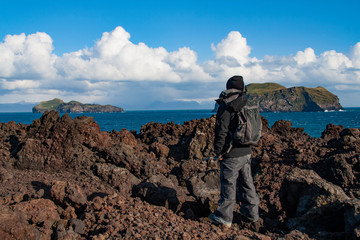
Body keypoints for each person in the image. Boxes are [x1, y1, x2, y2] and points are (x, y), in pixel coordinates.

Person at [209, 75, 260, 228]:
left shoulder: (227, 104)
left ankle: (224, 218)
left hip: (231, 153)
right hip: (247, 151)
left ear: (228, 87)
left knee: (228, 185)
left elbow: (221, 131)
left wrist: (219, 152)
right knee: (247, 183)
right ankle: (251, 214)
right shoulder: (247, 102)